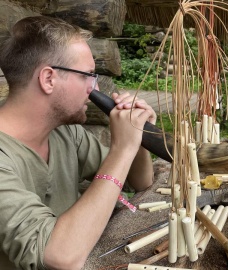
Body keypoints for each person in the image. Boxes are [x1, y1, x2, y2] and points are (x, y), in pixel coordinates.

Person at [0, 16, 157, 269]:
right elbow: (60, 256)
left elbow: (140, 181)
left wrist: (136, 139)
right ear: (48, 79)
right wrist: (121, 148)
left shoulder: (65, 133)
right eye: (88, 75)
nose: (94, 88)